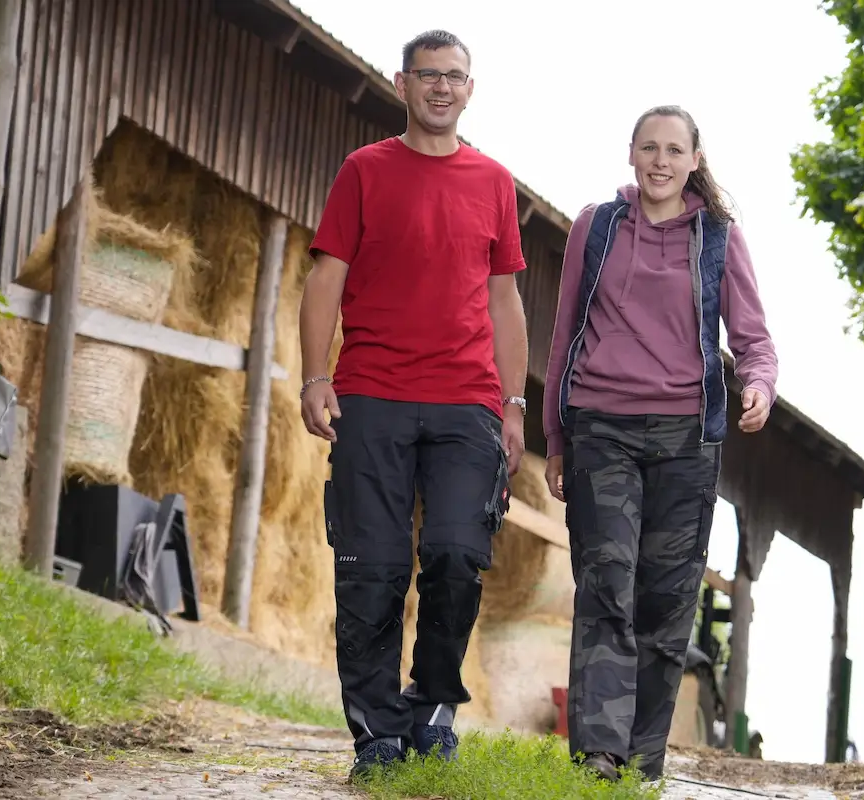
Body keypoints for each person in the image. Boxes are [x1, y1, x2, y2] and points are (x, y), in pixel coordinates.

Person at [297, 29, 529, 782]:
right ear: (402, 84)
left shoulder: (494, 181)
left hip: (467, 402)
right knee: (372, 568)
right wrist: (313, 376)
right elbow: (326, 278)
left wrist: (514, 404)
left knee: (459, 554)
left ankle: (433, 708)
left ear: (470, 88)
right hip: (372, 393)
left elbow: (504, 301)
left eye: (454, 76)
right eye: (427, 75)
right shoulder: (364, 171)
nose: (441, 88)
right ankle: (376, 738)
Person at [542, 105, 778, 782]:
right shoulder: (598, 225)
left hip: (686, 440)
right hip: (603, 429)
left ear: (695, 160)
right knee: (607, 586)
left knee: (666, 600)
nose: (661, 161)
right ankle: (600, 756)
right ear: (631, 154)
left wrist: (758, 386)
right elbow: (565, 333)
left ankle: (643, 761)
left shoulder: (719, 236)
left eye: (675, 150)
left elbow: (754, 339)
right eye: (650, 147)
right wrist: (556, 435)